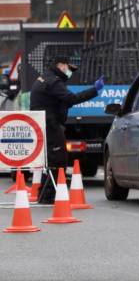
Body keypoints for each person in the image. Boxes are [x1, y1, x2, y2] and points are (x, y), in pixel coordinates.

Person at [30, 56, 103, 204]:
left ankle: (45, 195)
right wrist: (94, 90)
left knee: (51, 161)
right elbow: (72, 99)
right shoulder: (54, 82)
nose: (70, 72)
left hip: (46, 124)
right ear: (61, 65)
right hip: (51, 125)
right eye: (69, 68)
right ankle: (49, 196)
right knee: (58, 160)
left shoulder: (46, 78)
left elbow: (60, 103)